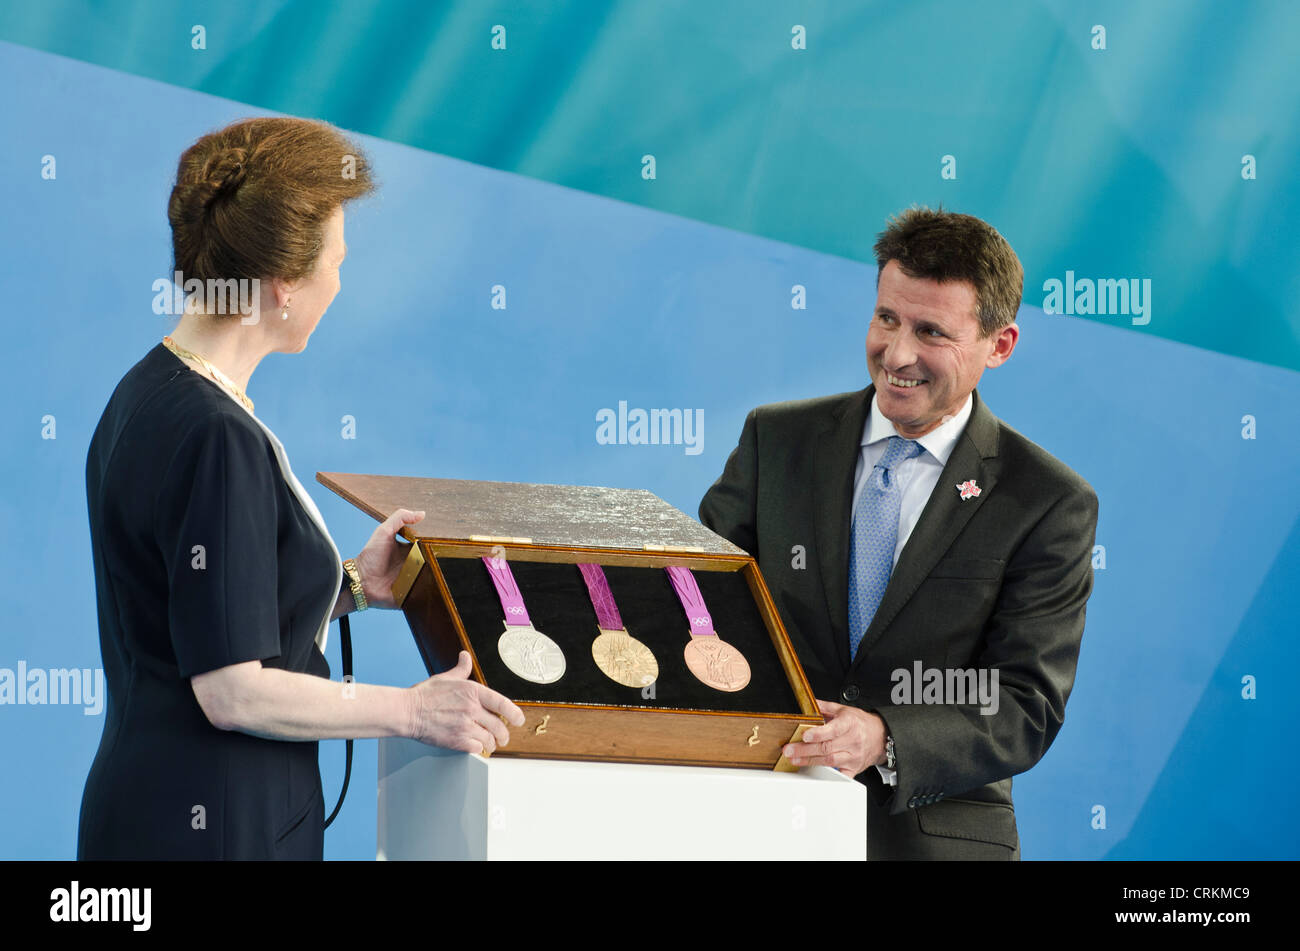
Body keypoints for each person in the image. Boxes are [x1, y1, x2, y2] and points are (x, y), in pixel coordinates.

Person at [79, 117, 524, 860]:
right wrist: (414, 710)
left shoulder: (146, 394)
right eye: (337, 261)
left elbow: (197, 604)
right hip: (218, 827)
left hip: (147, 810)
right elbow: (231, 690)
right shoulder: (218, 436)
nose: (341, 281)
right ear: (283, 284)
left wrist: (346, 584)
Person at [699, 207, 1098, 860]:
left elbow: (1024, 703)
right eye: (887, 318)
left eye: (931, 331)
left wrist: (884, 735)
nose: (898, 353)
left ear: (999, 345)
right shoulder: (777, 442)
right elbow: (701, 605)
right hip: (760, 818)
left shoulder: (1048, 501)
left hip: (934, 841)